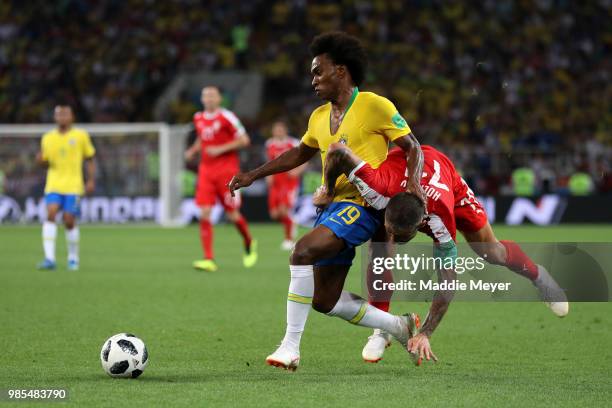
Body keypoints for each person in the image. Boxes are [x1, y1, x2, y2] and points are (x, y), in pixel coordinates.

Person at [229, 32, 425, 371]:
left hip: (364, 206)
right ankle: (398, 325)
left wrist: (414, 187)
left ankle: (290, 346)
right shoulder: (319, 116)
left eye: (318, 72)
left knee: (302, 251)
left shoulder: (375, 105)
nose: (313, 80)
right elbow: (299, 153)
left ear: (341, 71)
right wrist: (253, 175)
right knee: (324, 300)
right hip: (332, 208)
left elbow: (413, 147)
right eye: (311, 74)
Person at [316, 142, 569, 364]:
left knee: (492, 253)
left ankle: (540, 277)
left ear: (420, 227)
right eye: (392, 230)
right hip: (401, 180)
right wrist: (327, 189)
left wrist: (426, 332)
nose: (396, 238)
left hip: (450, 187)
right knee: (380, 251)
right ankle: (381, 330)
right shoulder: (378, 187)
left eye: (402, 236)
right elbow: (338, 152)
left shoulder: (440, 222)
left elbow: (448, 282)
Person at [185, 86, 257, 272]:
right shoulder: (198, 117)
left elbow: (244, 140)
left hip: (226, 172)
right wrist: (193, 150)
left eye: (212, 95)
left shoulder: (227, 117)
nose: (208, 98)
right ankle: (209, 259)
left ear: (219, 99)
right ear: (202, 99)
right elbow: (203, 138)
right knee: (204, 213)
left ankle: (249, 242)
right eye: (205, 95)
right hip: (206, 172)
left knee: (233, 215)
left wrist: (220, 149)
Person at [36, 105, 96, 271]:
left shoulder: (81, 136)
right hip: (53, 184)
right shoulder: (47, 138)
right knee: (51, 213)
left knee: (69, 220)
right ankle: (49, 258)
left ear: (72, 117)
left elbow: (89, 159)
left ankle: (73, 257)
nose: (62, 117)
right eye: (59, 114)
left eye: (65, 114)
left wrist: (90, 180)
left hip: (74, 186)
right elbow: (44, 162)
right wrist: (40, 161)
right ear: (55, 118)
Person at [265, 120, 304, 250]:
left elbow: (305, 158)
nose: (278, 132)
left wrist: (297, 171)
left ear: (285, 130)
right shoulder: (269, 144)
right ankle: (292, 222)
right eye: (276, 129)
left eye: (281, 129)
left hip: (289, 182)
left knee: (284, 210)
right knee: (274, 214)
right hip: (276, 181)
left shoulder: (293, 143)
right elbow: (269, 161)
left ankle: (289, 240)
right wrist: (268, 175)